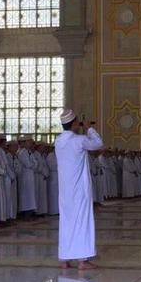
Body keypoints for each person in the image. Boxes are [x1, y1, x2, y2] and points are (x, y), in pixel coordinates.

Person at [55, 110, 103, 270]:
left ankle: (65, 259)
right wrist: (89, 128)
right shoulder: (79, 140)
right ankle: (82, 260)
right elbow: (98, 143)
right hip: (79, 190)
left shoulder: (58, 141)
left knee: (66, 222)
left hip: (65, 191)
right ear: (74, 123)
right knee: (82, 222)